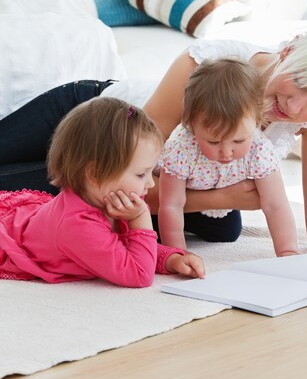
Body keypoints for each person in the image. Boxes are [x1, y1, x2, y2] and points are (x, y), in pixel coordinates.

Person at [0, 20, 307, 278]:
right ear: (289, 49)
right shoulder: (209, 64)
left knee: (219, 227)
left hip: (134, 184)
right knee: (63, 201)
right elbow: (123, 188)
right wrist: (225, 197)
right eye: (299, 81)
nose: (296, 107)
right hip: (92, 120)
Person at [0, 97, 204, 285]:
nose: (151, 183)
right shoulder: (78, 227)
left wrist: (171, 259)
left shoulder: (106, 198)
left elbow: (122, 245)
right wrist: (140, 218)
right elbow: (139, 274)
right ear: (95, 174)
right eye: (141, 174)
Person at [158, 57, 298, 257]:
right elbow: (171, 204)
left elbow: (276, 205)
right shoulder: (181, 147)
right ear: (191, 125)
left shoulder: (259, 149)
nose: (226, 152)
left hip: (212, 192)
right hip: (161, 192)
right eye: (213, 142)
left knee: (227, 231)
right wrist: (177, 253)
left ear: (258, 121)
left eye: (239, 141)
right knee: (149, 223)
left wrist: (288, 250)